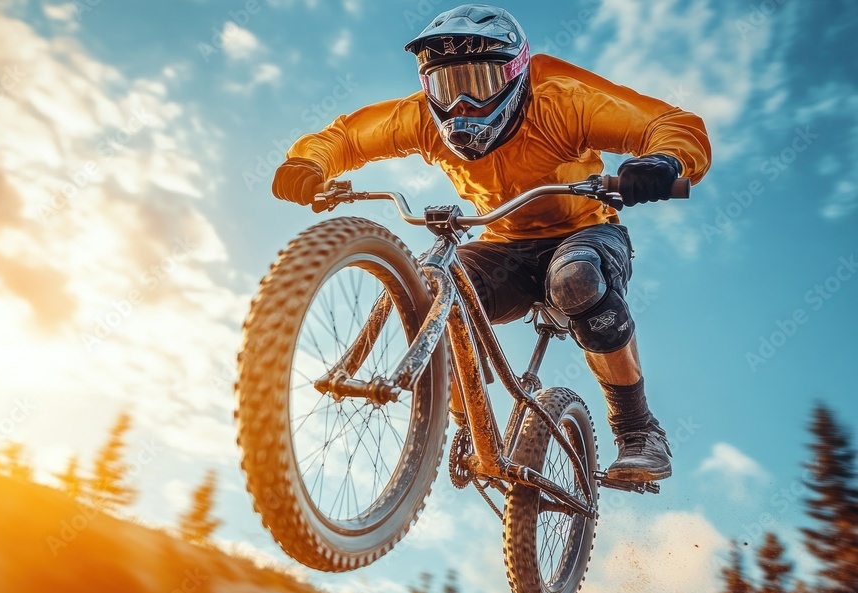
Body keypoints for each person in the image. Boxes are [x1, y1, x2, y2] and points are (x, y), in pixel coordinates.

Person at [271, 4, 711, 482]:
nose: (460, 104)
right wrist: (309, 165)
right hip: (505, 246)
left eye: (477, 84)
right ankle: (470, 422)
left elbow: (667, 124)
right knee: (435, 291)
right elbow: (348, 138)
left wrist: (665, 161)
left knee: (575, 277)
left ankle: (638, 430)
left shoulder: (562, 102)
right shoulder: (421, 119)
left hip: (587, 230)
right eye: (444, 85)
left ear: (514, 75)